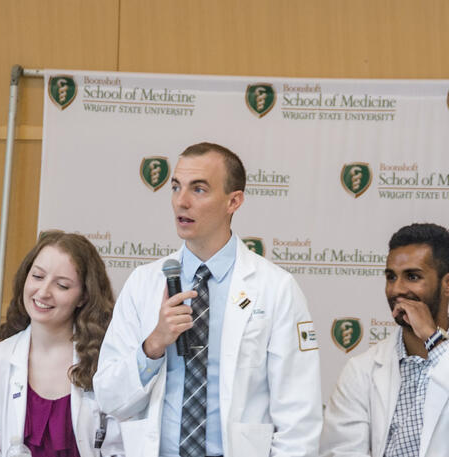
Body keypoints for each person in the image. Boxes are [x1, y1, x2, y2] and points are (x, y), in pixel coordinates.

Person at [94, 142, 321, 457]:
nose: (181, 202)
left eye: (198, 190)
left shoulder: (276, 288)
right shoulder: (144, 283)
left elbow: (299, 418)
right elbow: (109, 398)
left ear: (234, 201)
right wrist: (154, 345)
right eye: (176, 187)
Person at [321, 223, 449, 457]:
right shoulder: (361, 369)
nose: (397, 289)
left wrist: (433, 339)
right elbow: (341, 451)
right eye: (391, 277)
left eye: (412, 276)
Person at [0, 231, 125, 456]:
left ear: (83, 297)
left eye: (62, 286)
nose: (43, 292)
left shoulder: (107, 362)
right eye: (38, 277)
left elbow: (122, 445)